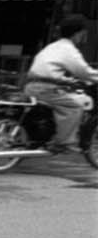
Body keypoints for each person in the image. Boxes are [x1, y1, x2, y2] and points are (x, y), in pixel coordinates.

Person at [25, 14, 98, 155]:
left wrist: (66, 80)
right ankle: (63, 143)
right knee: (74, 106)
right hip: (45, 89)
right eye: (84, 33)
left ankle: (48, 137)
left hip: (32, 86)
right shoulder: (68, 50)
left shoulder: (52, 46)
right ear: (78, 33)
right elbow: (84, 72)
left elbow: (46, 69)